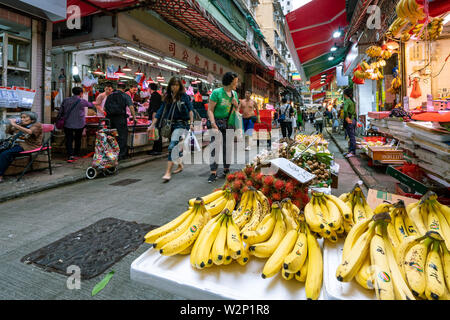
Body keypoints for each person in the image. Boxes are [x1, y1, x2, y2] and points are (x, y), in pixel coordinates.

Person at [149, 77, 194, 182]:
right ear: (170, 86)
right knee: (175, 146)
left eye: (177, 85)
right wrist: (152, 124)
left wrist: (191, 123)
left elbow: (191, 110)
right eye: (173, 85)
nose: (175, 87)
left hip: (181, 125)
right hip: (170, 126)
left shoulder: (184, 97)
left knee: (172, 146)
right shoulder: (167, 97)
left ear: (180, 86)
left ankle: (168, 172)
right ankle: (180, 165)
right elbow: (160, 111)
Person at [207, 71, 240, 183]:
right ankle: (213, 172)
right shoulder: (217, 93)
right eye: (235, 82)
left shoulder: (235, 94)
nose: (237, 84)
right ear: (229, 82)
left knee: (228, 148)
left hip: (230, 124)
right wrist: (213, 123)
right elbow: (210, 110)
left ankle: (226, 169)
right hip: (217, 124)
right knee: (215, 148)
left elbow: (236, 110)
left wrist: (236, 105)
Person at [0, 111, 42, 182]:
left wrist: (15, 125)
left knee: (5, 154)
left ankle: (0, 175)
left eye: (25, 117)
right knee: (3, 152)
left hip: (28, 145)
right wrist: (11, 125)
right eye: (21, 117)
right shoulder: (21, 124)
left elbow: (29, 132)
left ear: (32, 119)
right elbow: (8, 132)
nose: (22, 119)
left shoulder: (37, 125)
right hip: (15, 143)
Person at [58, 86, 93, 162]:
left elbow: (61, 111)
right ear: (81, 93)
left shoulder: (66, 100)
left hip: (68, 123)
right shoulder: (82, 101)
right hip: (79, 124)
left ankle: (70, 155)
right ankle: (76, 154)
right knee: (78, 139)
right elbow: (91, 105)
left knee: (69, 139)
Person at [104, 82, 136, 160]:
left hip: (110, 119)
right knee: (122, 136)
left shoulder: (110, 95)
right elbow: (131, 107)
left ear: (116, 87)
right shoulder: (125, 95)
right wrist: (134, 117)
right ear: (124, 89)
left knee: (111, 136)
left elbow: (105, 108)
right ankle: (121, 154)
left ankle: (111, 153)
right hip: (120, 119)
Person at [147, 82, 163, 156]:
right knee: (157, 133)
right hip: (158, 117)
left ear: (150, 89)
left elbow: (154, 109)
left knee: (156, 134)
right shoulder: (158, 95)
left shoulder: (154, 96)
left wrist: (153, 121)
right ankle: (156, 149)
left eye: (148, 88)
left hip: (156, 118)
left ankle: (157, 150)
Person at [343, 87, 357, 157]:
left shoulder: (347, 101)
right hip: (353, 120)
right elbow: (355, 112)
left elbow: (345, 110)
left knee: (351, 136)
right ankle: (350, 150)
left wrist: (347, 117)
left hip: (350, 121)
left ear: (345, 94)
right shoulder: (352, 101)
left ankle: (352, 152)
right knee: (352, 136)